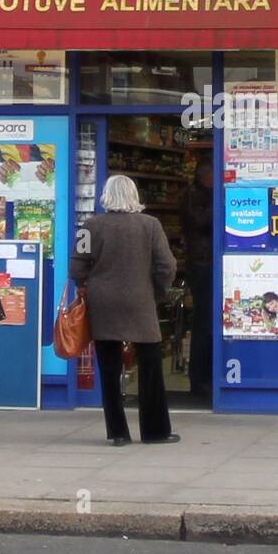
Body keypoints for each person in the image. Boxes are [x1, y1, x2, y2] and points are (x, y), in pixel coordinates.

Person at [70, 174, 179, 447]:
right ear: (134, 195)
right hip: (141, 301)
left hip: (103, 302)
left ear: (106, 195)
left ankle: (118, 432)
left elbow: (76, 266)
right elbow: (167, 266)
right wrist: (157, 291)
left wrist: (89, 284)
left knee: (109, 368)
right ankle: (155, 431)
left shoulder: (90, 226)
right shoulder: (151, 225)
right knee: (151, 365)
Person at [181, 159, 214, 398]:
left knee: (210, 323)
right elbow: (201, 222)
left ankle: (208, 377)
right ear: (205, 175)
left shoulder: (202, 195)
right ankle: (200, 380)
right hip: (202, 266)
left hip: (208, 264)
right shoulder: (193, 196)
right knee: (204, 324)